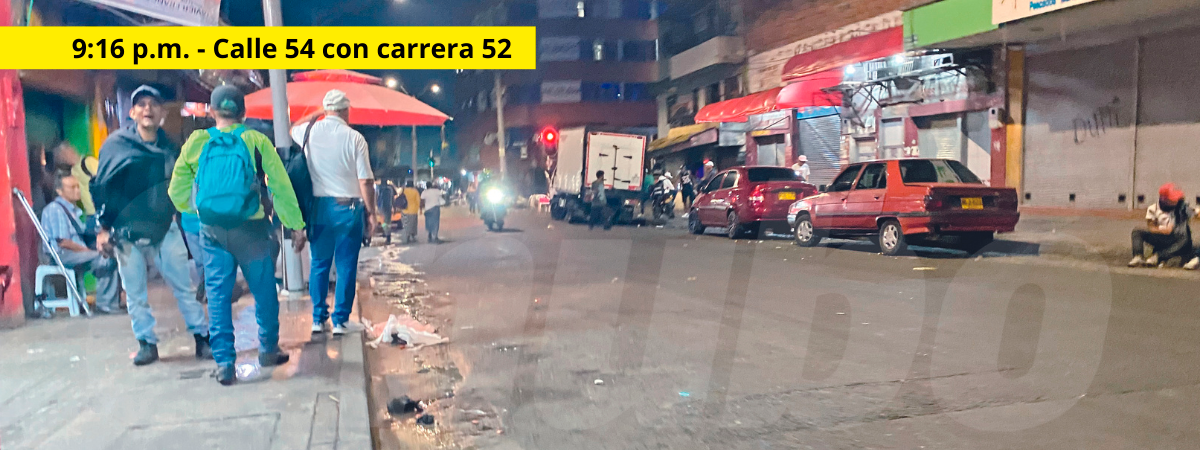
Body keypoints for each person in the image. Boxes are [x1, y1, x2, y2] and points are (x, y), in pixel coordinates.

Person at [170, 85, 308, 385]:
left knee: (218, 297)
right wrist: (295, 225)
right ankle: (268, 350)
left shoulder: (197, 141)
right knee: (264, 292)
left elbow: (176, 189)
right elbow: (280, 187)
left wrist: (196, 214)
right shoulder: (255, 139)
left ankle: (224, 363)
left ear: (211, 111)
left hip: (213, 232)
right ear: (243, 114)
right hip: (252, 229)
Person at [90, 85, 209, 366]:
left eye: (153, 104)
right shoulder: (116, 146)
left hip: (164, 230)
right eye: (141, 104)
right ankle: (146, 343)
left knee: (184, 288)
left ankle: (202, 339)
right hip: (126, 235)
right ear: (132, 113)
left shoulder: (171, 148)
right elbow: (101, 188)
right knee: (135, 294)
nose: (147, 109)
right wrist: (103, 229)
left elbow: (182, 186)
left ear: (161, 114)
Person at [291, 89, 376, 336]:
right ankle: (340, 321)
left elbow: (293, 127)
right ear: (346, 110)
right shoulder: (355, 138)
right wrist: (371, 213)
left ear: (327, 110)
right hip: (348, 208)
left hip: (318, 209)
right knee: (346, 265)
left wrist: (319, 112)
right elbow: (366, 181)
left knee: (319, 264)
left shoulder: (308, 133)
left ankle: (318, 319)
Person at [41, 174, 121, 314]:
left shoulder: (74, 210)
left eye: (78, 186)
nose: (77, 190)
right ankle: (105, 305)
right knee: (104, 258)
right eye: (72, 187)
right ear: (60, 191)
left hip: (75, 252)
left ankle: (110, 302)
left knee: (112, 254)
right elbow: (63, 242)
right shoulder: (56, 209)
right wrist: (86, 250)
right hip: (62, 255)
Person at [1130, 183, 1193, 268]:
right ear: (1164, 199)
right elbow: (1151, 227)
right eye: (1173, 199)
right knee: (1137, 231)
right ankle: (1138, 256)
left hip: (1177, 239)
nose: (1175, 201)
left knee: (1185, 236)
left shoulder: (1181, 208)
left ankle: (1159, 256)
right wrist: (1162, 229)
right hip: (1162, 236)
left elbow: (1193, 213)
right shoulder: (1153, 209)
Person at [376, 180, 397, 244]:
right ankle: (387, 234)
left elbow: (376, 197)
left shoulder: (379, 188)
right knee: (388, 222)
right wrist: (394, 207)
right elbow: (393, 198)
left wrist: (376, 206)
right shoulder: (390, 189)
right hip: (388, 207)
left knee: (383, 222)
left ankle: (387, 235)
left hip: (381, 207)